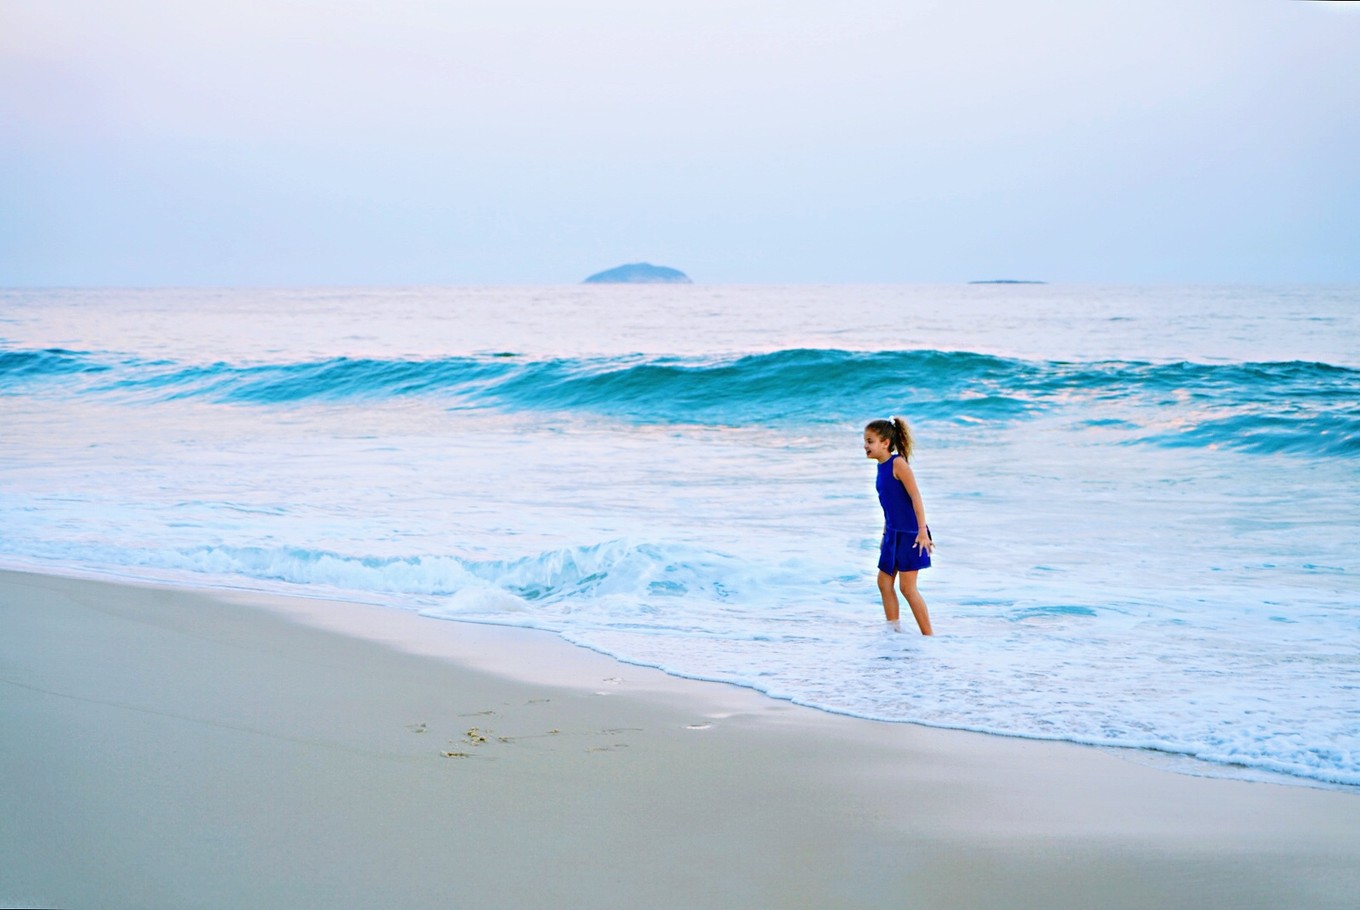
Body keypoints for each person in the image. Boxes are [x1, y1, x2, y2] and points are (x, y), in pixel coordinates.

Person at [864, 417, 934, 635]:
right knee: (884, 583)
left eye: (870, 441)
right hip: (893, 534)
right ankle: (893, 633)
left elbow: (915, 497)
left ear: (885, 443)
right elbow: (889, 504)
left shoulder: (898, 463)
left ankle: (929, 636)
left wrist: (922, 532)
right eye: (865, 441)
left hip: (911, 533)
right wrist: (885, 534)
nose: (865, 446)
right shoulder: (881, 467)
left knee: (907, 588)